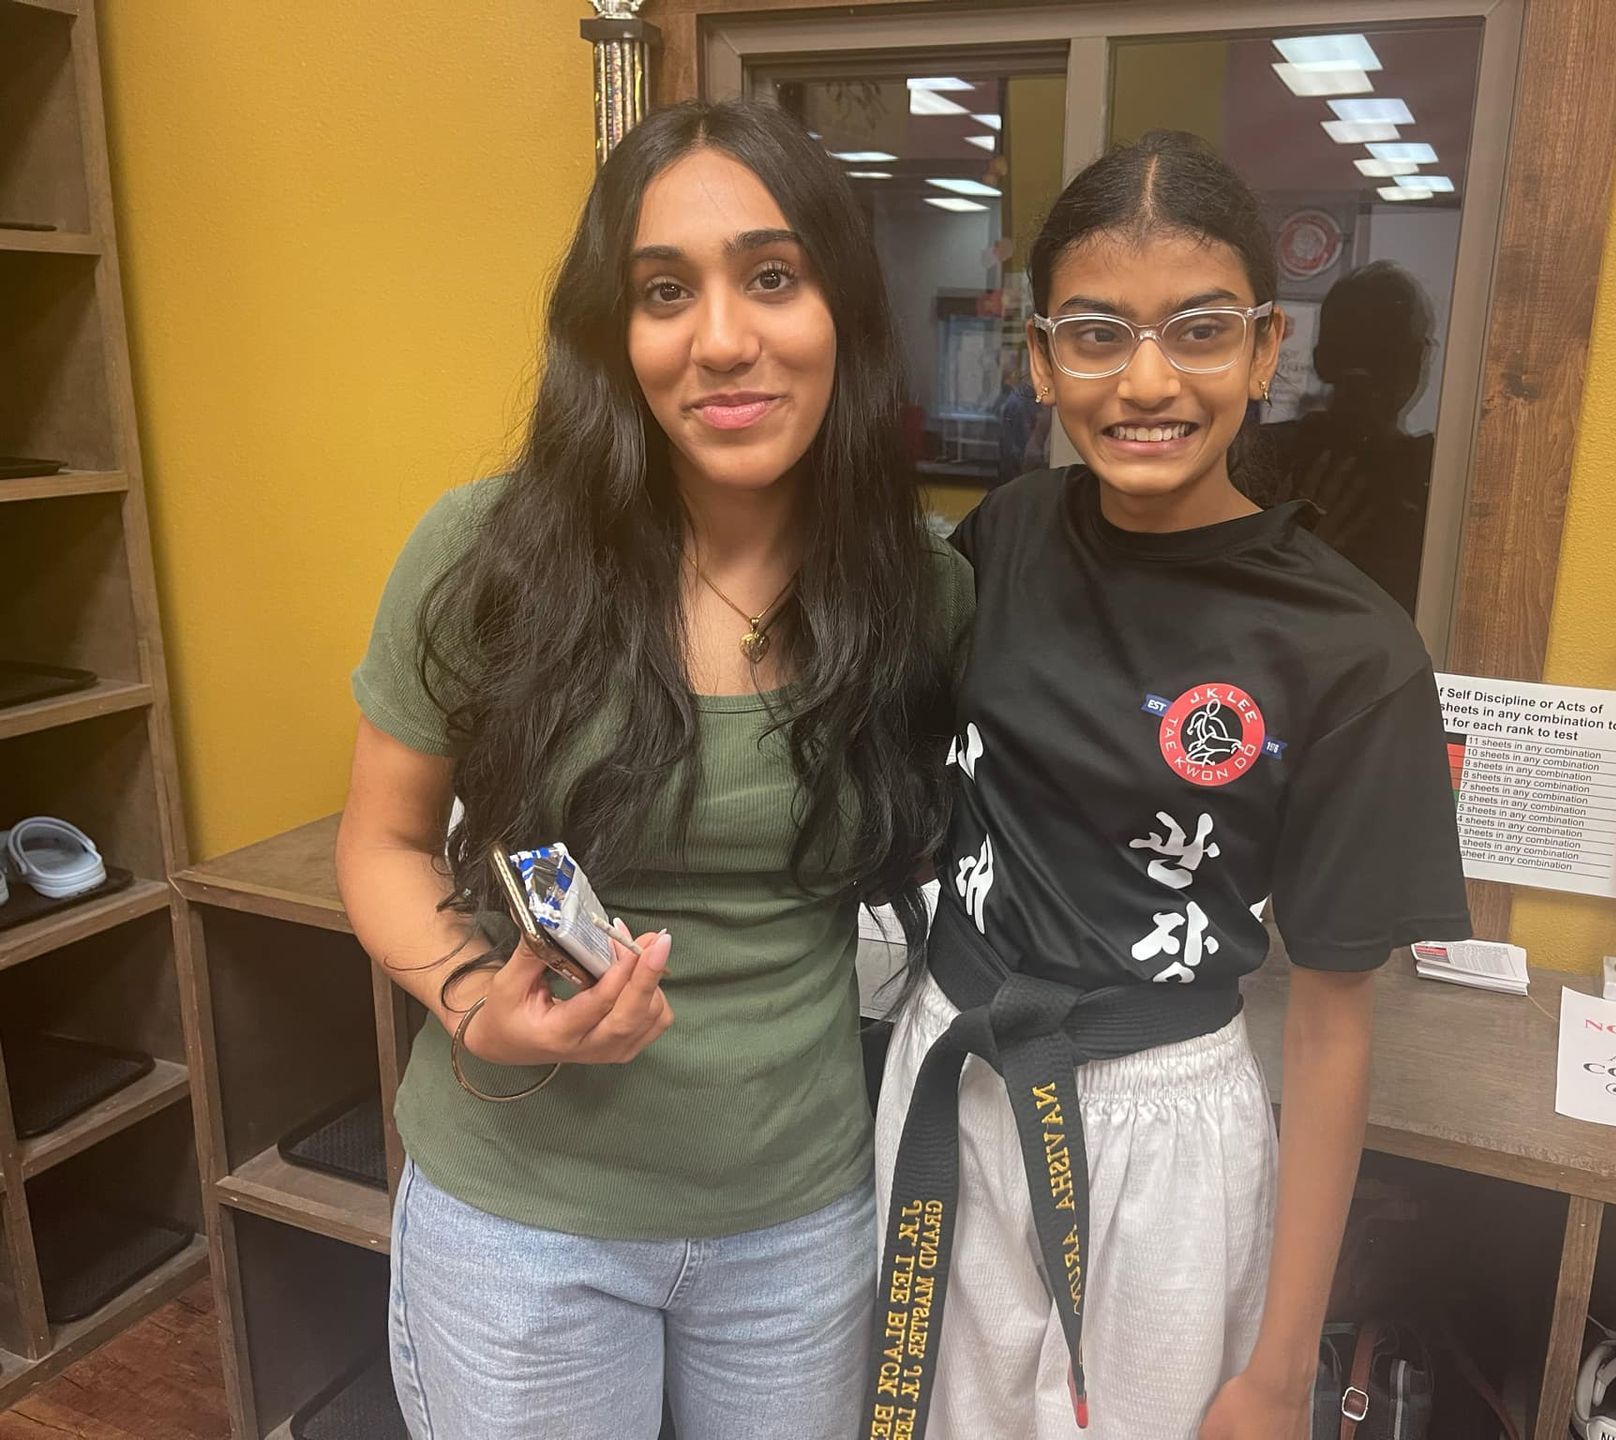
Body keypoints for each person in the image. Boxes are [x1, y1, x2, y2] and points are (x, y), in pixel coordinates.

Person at [335, 99, 970, 1440]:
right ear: (612, 335)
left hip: (797, 1220)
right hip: (520, 1218)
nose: (722, 339)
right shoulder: (486, 557)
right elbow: (381, 842)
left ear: (845, 312)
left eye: (773, 277)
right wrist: (477, 1005)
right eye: (665, 291)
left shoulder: (919, 589)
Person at [870, 132, 1469, 1440]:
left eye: (1199, 330)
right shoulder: (1010, 533)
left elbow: (1331, 1027)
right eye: (1096, 334)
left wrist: (1281, 1371)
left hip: (1166, 1124)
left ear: (1266, 348)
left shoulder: (1352, 653)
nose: (1147, 381)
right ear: (1041, 360)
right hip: (953, 1069)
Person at [1245, 260, 1438, 615]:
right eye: (1357, 352)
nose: (1371, 374)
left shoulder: (1436, 473)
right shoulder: (1262, 458)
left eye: (1388, 352)